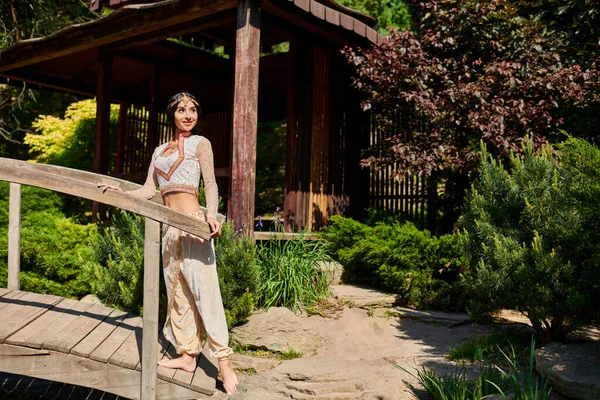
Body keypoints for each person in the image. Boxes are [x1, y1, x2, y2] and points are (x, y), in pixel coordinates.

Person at [98, 92, 238, 395]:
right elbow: (149, 190)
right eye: (181, 110)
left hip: (193, 226)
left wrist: (211, 216)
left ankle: (224, 363)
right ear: (171, 114)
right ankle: (187, 355)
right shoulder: (159, 151)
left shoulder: (202, 144)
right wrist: (119, 190)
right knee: (177, 294)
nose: (188, 115)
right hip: (170, 231)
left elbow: (210, 184)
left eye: (192, 110)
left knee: (205, 293)